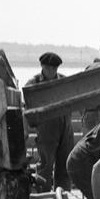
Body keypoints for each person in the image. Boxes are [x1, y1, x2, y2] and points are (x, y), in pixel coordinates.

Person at [25, 52, 74, 191]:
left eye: (54, 68)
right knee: (46, 164)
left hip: (65, 126)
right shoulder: (33, 83)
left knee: (65, 163)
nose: (51, 71)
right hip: (46, 127)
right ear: (42, 66)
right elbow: (27, 105)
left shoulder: (64, 81)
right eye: (48, 68)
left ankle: (63, 194)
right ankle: (43, 194)